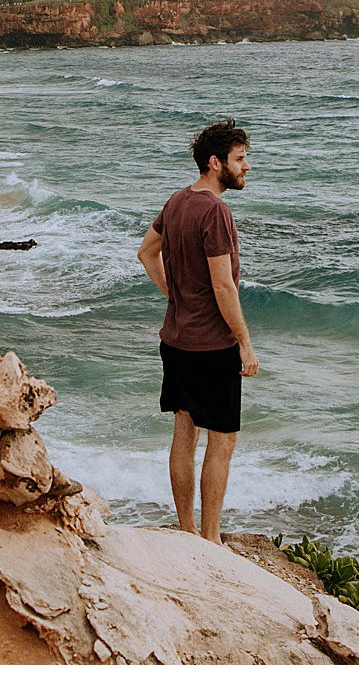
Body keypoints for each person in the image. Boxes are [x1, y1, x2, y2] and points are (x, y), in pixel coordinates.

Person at [136, 118, 258, 545]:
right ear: (215, 162)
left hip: (176, 340)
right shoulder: (216, 211)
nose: (247, 167)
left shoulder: (176, 201)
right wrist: (244, 342)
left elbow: (146, 252)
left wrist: (175, 296)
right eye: (240, 159)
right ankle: (210, 538)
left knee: (183, 430)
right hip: (212, 345)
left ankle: (186, 527)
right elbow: (223, 284)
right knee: (222, 440)